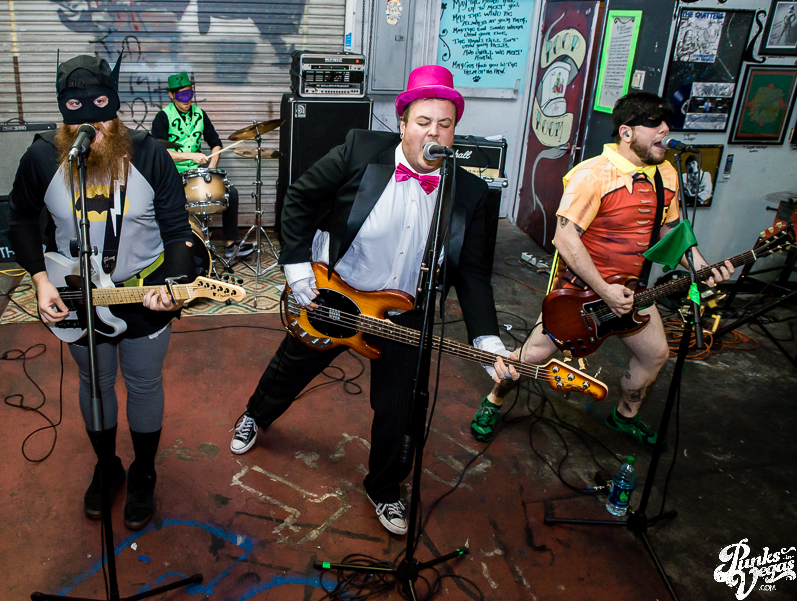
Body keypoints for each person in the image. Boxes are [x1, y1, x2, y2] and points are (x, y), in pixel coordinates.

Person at [228, 65, 519, 536]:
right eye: (423, 121)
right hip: (338, 290)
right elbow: (299, 197)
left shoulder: (468, 191)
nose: (434, 132)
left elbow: (472, 273)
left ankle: (384, 488)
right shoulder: (360, 151)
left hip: (405, 312)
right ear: (403, 124)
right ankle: (255, 416)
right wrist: (296, 265)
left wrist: (487, 340)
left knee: (400, 409)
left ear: (453, 132)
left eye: (444, 124)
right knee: (293, 365)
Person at [469, 92, 733, 448]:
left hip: (631, 291)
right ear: (626, 132)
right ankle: (493, 400)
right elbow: (565, 239)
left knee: (655, 354)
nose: (665, 131)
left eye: (666, 123)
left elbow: (669, 232)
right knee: (530, 357)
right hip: (580, 293)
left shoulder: (667, 174)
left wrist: (700, 265)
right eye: (654, 124)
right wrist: (605, 291)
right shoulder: (593, 175)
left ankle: (626, 415)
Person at [8, 55, 195, 530]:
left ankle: (144, 471)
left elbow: (178, 231)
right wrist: (40, 279)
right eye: (77, 114)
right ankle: (107, 466)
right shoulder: (41, 158)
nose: (91, 127)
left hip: (141, 292)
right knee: (95, 380)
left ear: (115, 107)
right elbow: (21, 220)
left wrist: (173, 286)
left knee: (144, 382)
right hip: (77, 295)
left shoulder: (149, 155)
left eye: (102, 113)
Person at [151, 72, 253, 259]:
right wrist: (191, 156)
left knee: (230, 193)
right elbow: (160, 152)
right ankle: (174, 246)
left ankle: (230, 244)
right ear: (171, 95)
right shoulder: (162, 117)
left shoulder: (199, 114)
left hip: (196, 174)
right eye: (181, 96)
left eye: (189, 94)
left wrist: (212, 166)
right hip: (174, 175)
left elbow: (216, 143)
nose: (186, 100)